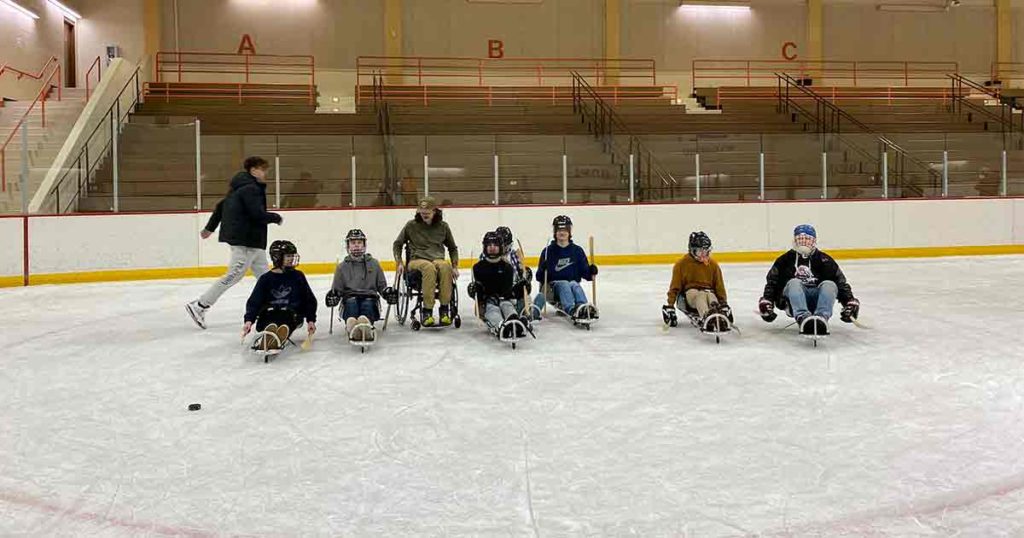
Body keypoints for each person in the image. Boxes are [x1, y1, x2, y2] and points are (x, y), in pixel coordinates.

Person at [186, 156, 283, 329]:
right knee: (233, 275)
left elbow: (220, 207)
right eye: (263, 169)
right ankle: (200, 305)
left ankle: (276, 306)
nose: (265, 173)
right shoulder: (250, 189)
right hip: (246, 240)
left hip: (252, 241)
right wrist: (275, 217)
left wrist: (210, 228)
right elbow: (256, 214)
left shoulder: (239, 187)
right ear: (253, 170)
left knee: (264, 276)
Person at [758, 224, 861, 335]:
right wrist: (767, 301)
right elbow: (772, 282)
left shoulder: (825, 260)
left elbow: (840, 283)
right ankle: (803, 318)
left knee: (829, 284)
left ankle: (821, 319)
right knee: (794, 282)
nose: (804, 242)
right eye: (800, 239)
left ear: (814, 241)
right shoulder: (784, 260)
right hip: (792, 302)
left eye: (807, 239)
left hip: (817, 299)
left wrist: (849, 302)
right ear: (794, 240)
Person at [392, 196, 460, 327]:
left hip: (437, 259)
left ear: (434, 211)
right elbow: (397, 244)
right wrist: (399, 262)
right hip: (416, 260)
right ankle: (427, 311)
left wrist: (455, 266)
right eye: (422, 213)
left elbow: (452, 248)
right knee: (428, 267)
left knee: (446, 266)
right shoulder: (411, 226)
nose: (424, 215)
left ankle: (444, 310)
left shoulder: (443, 227)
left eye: (427, 213)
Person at [242, 240, 317, 351]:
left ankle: (279, 334)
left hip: (291, 315)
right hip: (268, 314)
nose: (291, 258)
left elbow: (309, 299)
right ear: (277, 257)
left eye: (292, 255)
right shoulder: (266, 279)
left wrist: (311, 320)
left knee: (285, 320)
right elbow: (254, 301)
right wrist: (249, 320)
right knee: (270, 321)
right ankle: (269, 335)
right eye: (288, 256)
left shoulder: (298, 276)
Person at [325, 229, 391, 342]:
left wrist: (387, 292)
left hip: (370, 296)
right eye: (353, 243)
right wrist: (333, 295)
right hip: (350, 297)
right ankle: (352, 324)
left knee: (368, 304)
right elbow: (337, 289)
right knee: (351, 303)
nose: (356, 246)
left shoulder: (374, 264)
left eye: (359, 242)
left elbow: (381, 286)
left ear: (364, 245)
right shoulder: (342, 267)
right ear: (348, 246)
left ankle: (365, 324)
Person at [533, 215, 598, 322]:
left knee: (574, 284)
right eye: (559, 230)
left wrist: (591, 271)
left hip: (571, 286)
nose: (562, 233)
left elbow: (586, 274)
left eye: (565, 230)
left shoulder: (577, 251)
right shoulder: (548, 251)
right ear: (555, 232)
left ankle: (583, 307)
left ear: (569, 232)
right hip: (553, 289)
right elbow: (540, 277)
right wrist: (543, 269)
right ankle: (572, 309)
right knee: (564, 283)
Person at [662, 231, 732, 332]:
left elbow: (719, 286)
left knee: (711, 297)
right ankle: (706, 316)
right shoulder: (682, 264)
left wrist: (723, 303)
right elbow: (675, 287)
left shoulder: (713, 265)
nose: (703, 255)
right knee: (701, 296)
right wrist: (670, 305)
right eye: (700, 252)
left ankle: (717, 314)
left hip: (709, 291)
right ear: (692, 250)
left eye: (706, 252)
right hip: (691, 292)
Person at [469, 231, 524, 339]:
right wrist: (474, 291)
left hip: (505, 299)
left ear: (501, 247)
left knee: (507, 306)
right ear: (485, 247)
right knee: (492, 310)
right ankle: (501, 326)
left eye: (495, 245)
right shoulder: (478, 267)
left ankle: (514, 321)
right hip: (488, 302)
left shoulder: (507, 267)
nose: (492, 247)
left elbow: (508, 290)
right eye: (489, 245)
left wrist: (518, 289)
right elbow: (479, 294)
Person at [479, 226, 532, 315]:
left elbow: (520, 274)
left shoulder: (514, 255)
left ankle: (523, 312)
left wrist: (525, 276)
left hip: (511, 290)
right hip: (494, 292)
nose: (504, 248)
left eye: (506, 245)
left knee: (526, 297)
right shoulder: (486, 256)